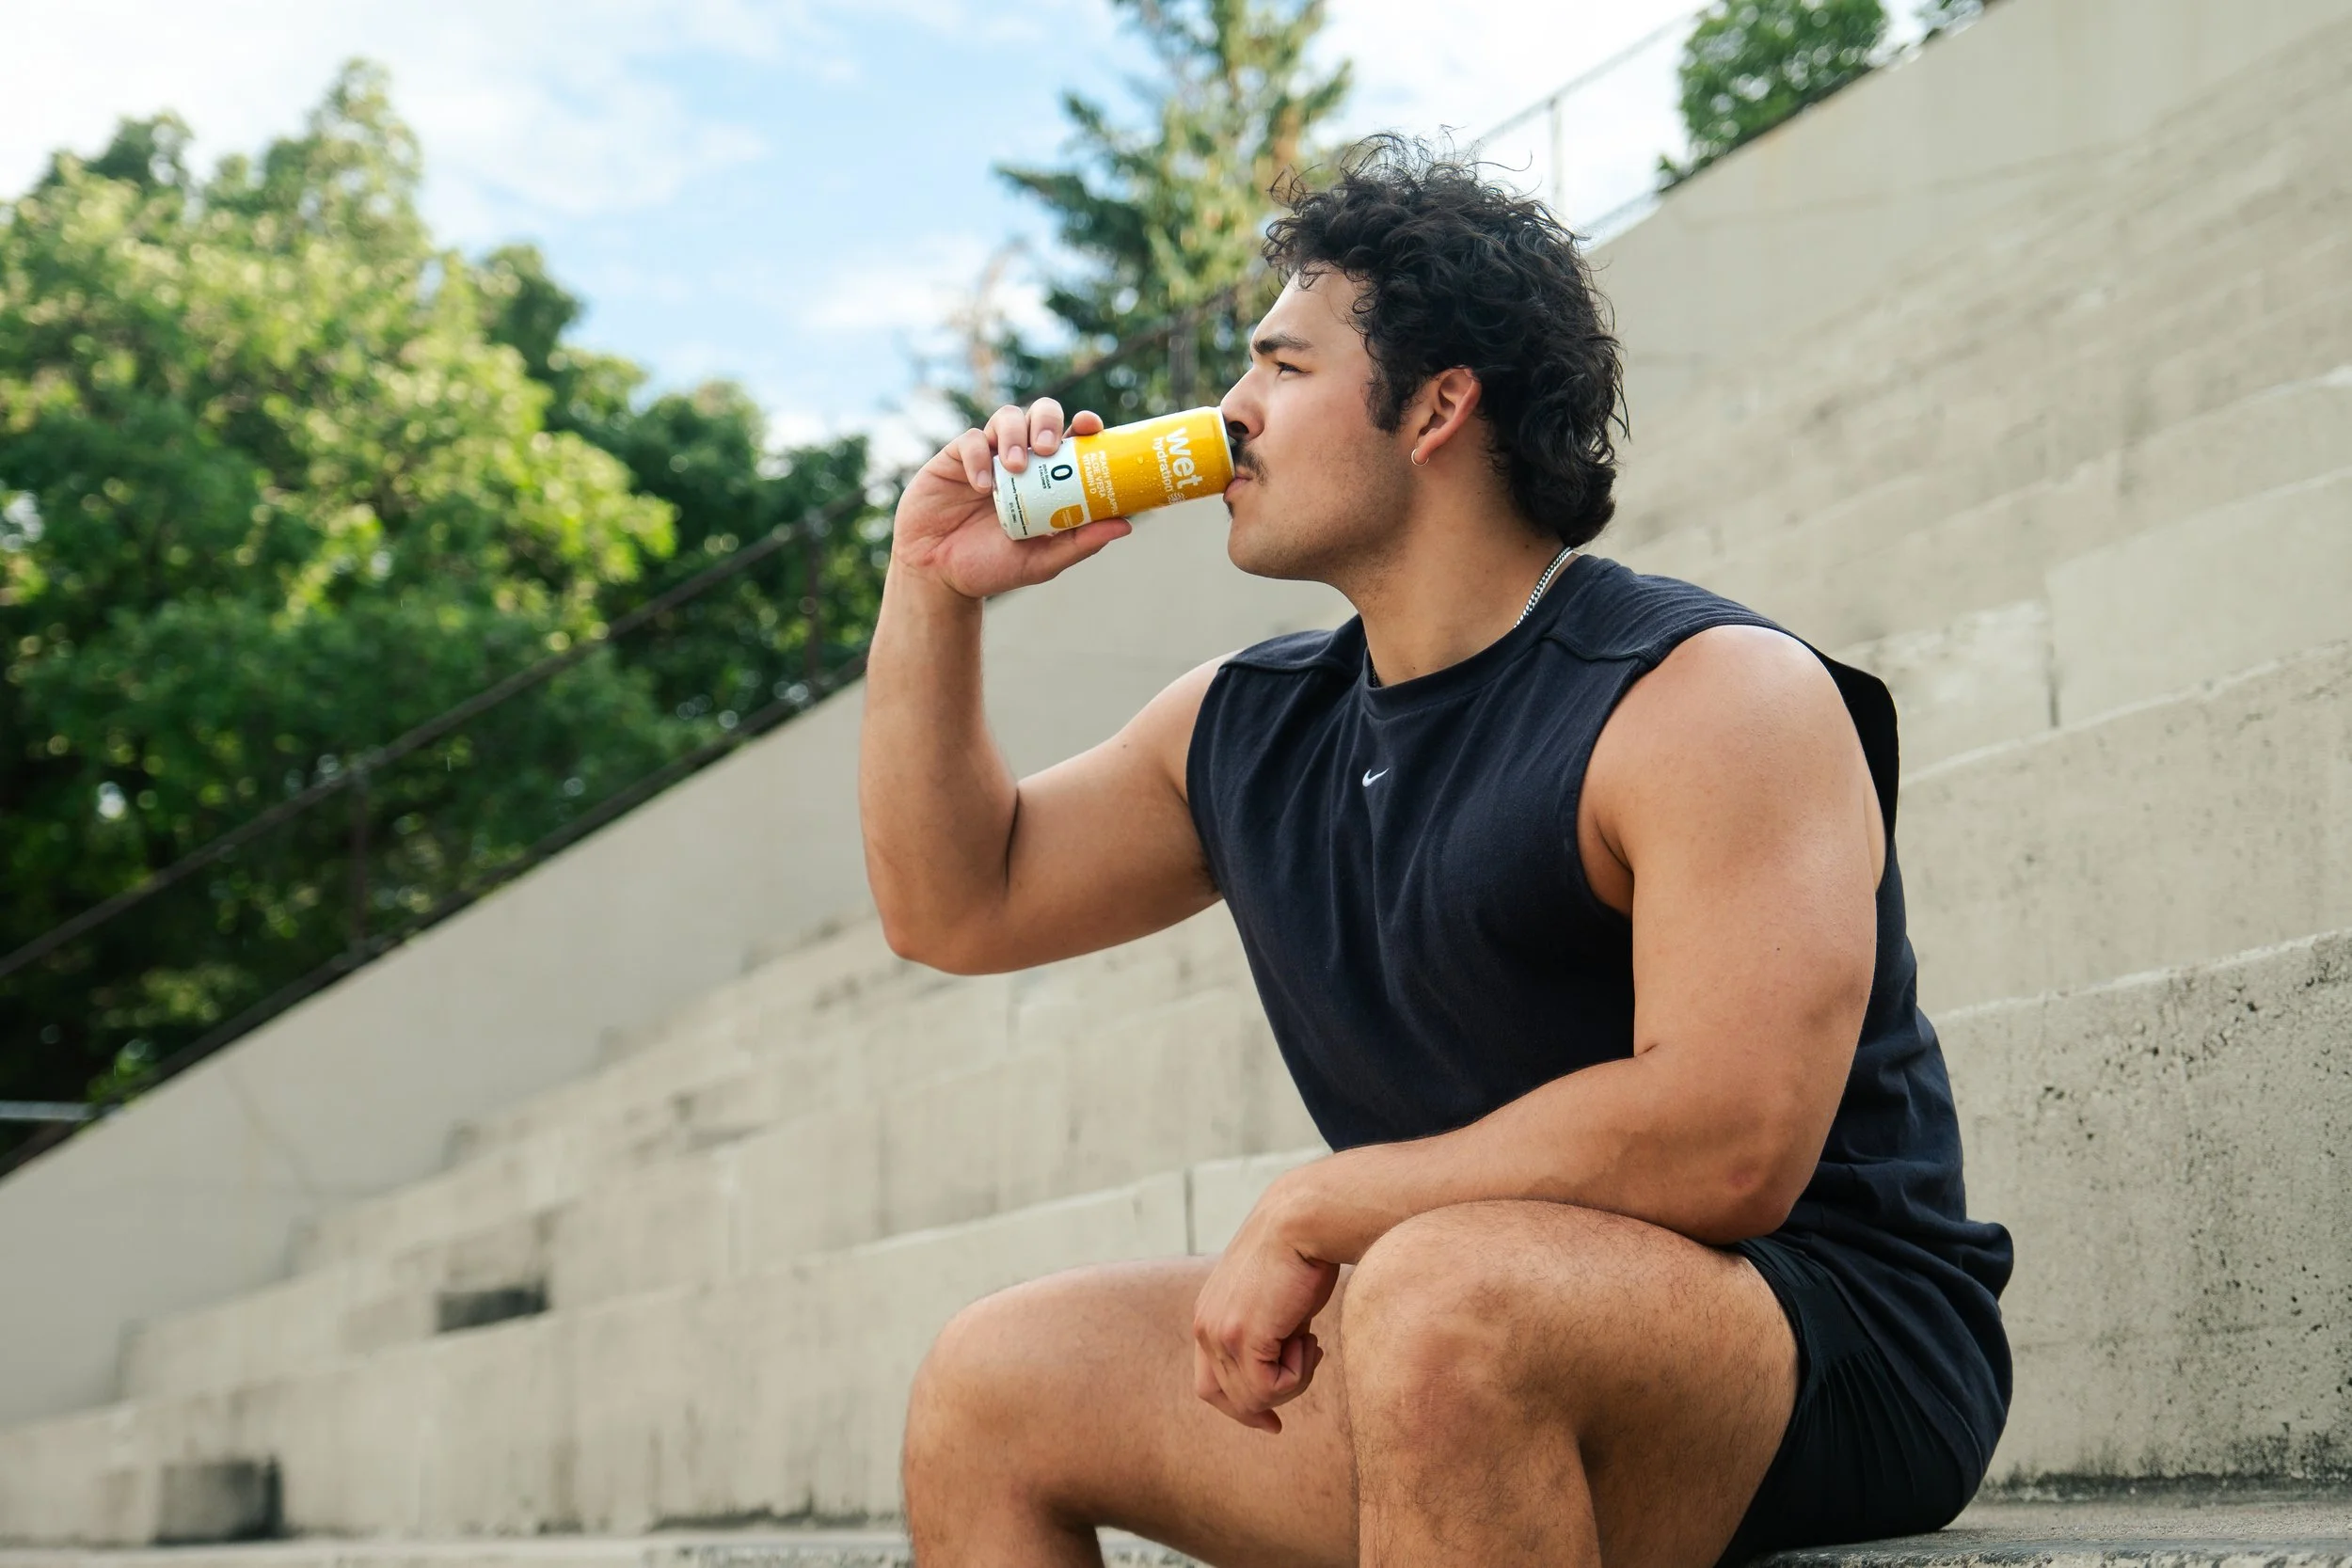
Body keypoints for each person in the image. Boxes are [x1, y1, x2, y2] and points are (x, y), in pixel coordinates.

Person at [858, 139, 2012, 1568]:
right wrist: (932, 588)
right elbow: (956, 904)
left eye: (1282, 367)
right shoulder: (1246, 725)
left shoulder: (1709, 692)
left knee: (1440, 1297)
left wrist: (1325, 1205)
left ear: (1437, 407)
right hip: (1455, 1316)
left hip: (1824, 1336)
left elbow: (1731, 1143)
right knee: (991, 1384)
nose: (1230, 412)